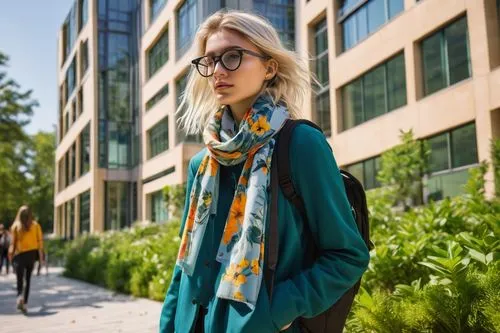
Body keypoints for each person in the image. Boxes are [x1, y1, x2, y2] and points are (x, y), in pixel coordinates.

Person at [159, 9, 370, 333]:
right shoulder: (202, 163)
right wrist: (168, 325)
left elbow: (347, 255)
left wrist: (276, 311)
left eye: (232, 57)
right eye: (210, 60)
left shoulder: (300, 145)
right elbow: (184, 264)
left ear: (269, 67)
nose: (217, 70)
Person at [8, 205, 44, 314]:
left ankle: (19, 297)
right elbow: (40, 242)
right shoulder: (36, 225)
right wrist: (41, 258)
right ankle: (25, 303)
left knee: (19, 279)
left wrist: (10, 257)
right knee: (28, 280)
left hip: (19, 256)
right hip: (32, 255)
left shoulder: (15, 226)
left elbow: (12, 245)